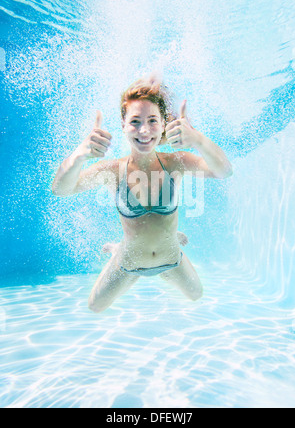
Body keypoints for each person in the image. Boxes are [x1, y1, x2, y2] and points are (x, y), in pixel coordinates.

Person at [52, 75, 233, 313]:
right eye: (135, 121)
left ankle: (171, 238)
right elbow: (61, 190)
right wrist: (79, 155)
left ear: (163, 124)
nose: (144, 130)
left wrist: (198, 139)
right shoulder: (113, 171)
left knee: (196, 295)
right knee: (95, 306)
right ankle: (119, 248)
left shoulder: (176, 162)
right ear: (123, 125)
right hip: (129, 263)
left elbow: (224, 171)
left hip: (170, 260)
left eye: (152, 120)